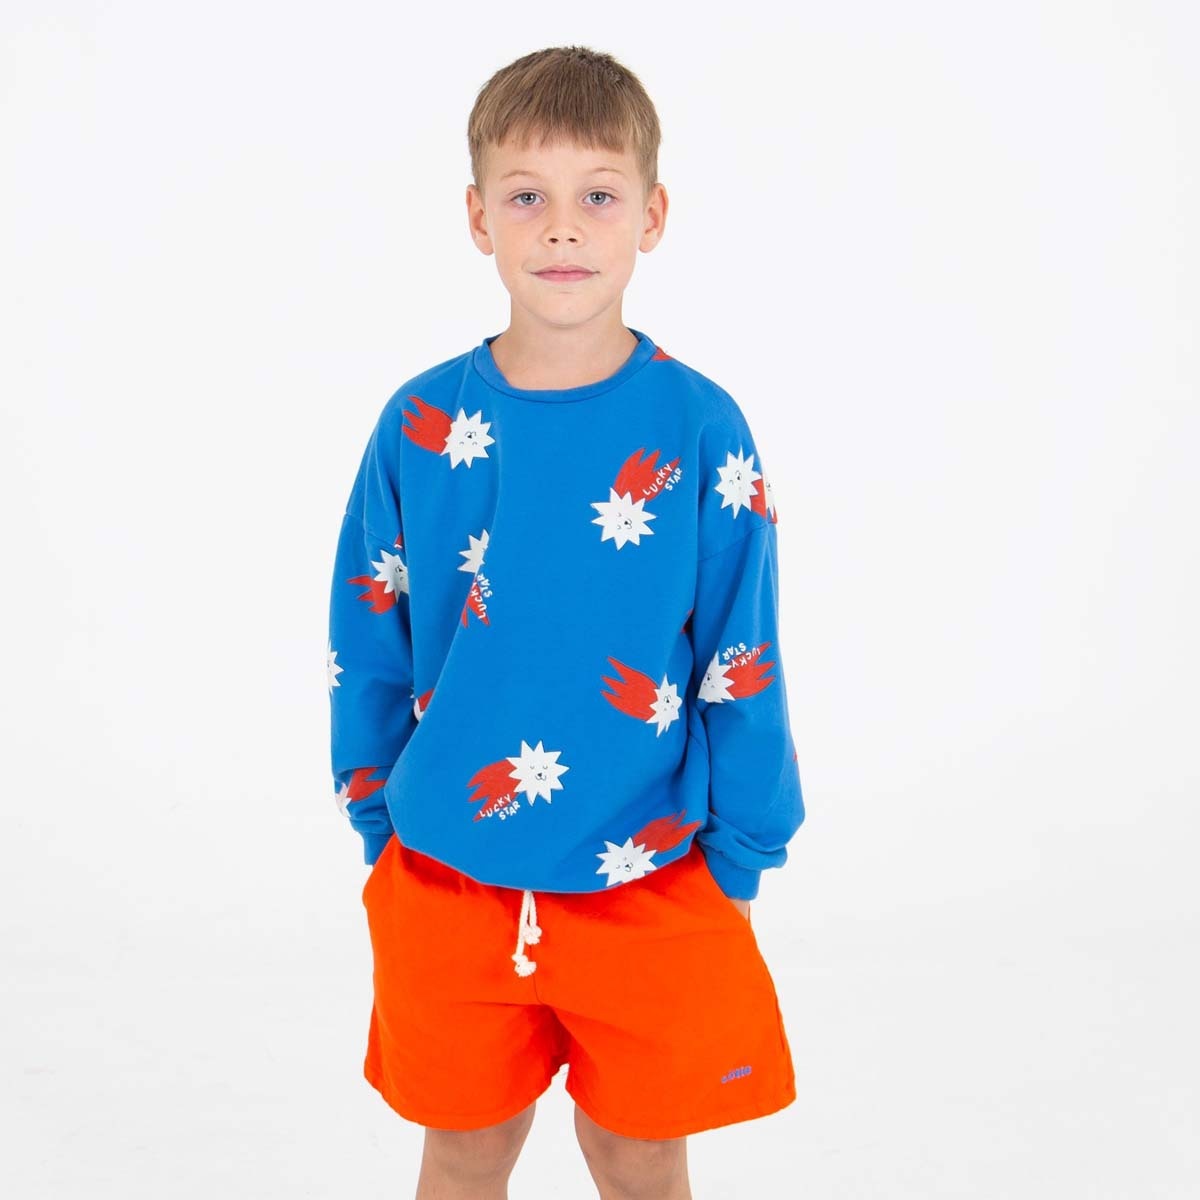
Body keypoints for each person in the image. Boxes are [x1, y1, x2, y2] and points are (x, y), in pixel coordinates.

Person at [327, 43, 806, 1200]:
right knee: (465, 1149)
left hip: (652, 876)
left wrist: (743, 851)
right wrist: (379, 817)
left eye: (597, 196)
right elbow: (368, 630)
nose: (561, 229)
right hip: (448, 877)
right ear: (478, 218)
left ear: (651, 216)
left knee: (638, 1154)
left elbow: (741, 652)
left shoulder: (701, 428)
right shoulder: (421, 423)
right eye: (526, 197)